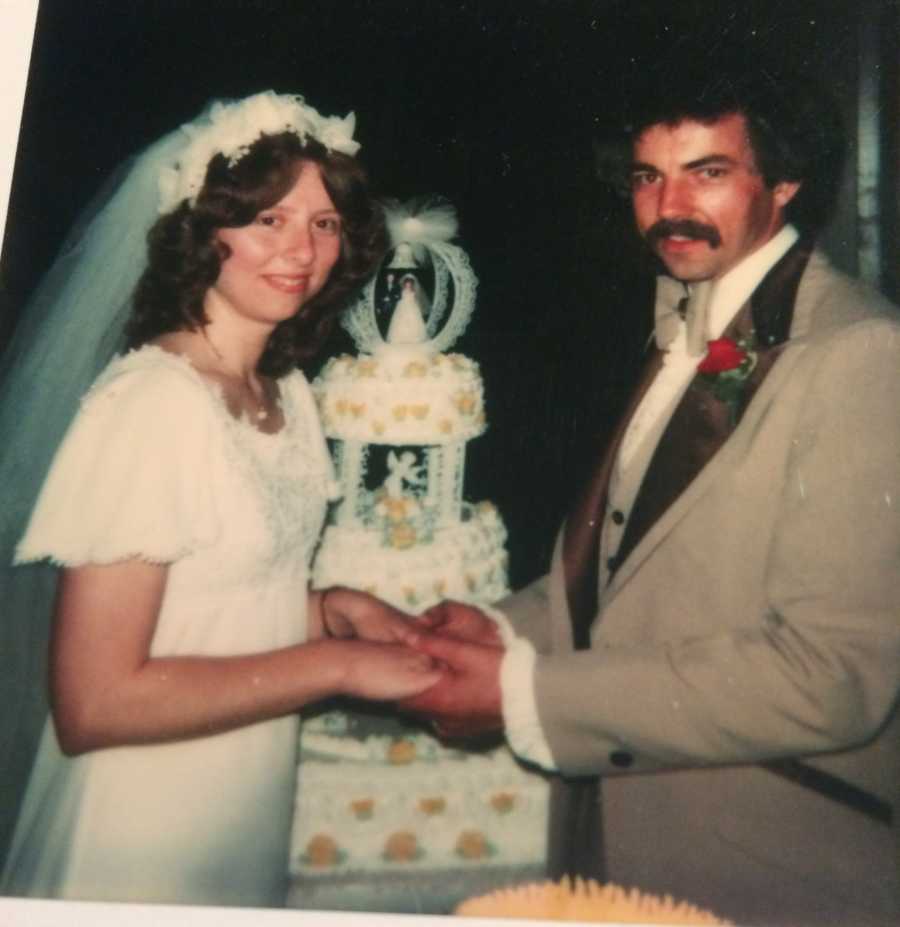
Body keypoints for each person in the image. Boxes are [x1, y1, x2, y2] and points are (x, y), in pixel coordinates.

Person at [398, 52, 900, 926]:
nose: (670, 208)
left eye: (707, 173)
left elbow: (831, 676)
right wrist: (501, 626)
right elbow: (634, 576)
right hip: (619, 841)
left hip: (765, 860)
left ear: (782, 183)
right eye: (648, 177)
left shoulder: (862, 355)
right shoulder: (680, 317)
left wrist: (526, 696)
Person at [0, 91, 442, 908]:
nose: (299, 250)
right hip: (142, 831)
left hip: (240, 806)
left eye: (323, 224)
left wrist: (329, 609)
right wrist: (335, 663)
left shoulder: (287, 391)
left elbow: (219, 607)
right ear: (204, 232)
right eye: (267, 220)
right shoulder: (153, 405)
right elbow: (94, 702)